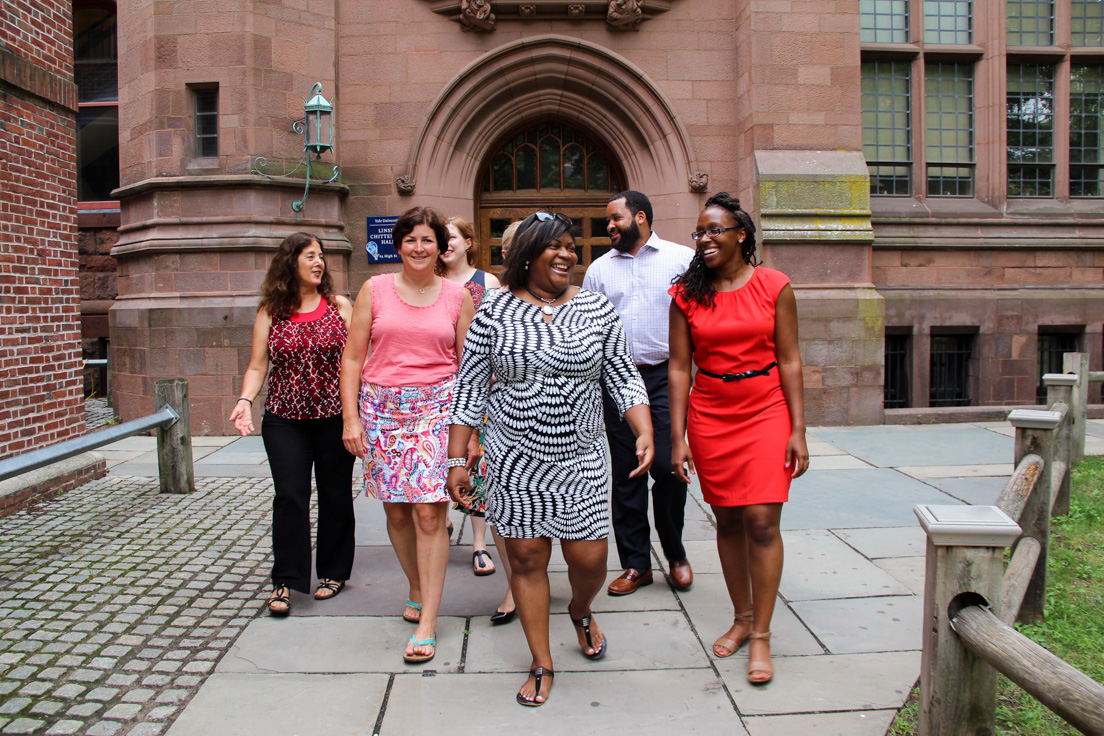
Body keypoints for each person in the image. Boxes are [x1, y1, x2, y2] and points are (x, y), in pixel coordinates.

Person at [446, 211, 654, 707]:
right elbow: (469, 387)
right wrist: (457, 456)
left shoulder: (596, 310)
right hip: (514, 458)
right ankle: (541, 660)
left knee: (589, 560)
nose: (567, 254)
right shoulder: (493, 312)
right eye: (554, 247)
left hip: (580, 456)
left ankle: (581, 610)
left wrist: (643, 428)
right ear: (526, 256)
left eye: (569, 246)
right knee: (525, 558)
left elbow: (623, 376)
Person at [668, 192, 809, 685]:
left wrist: (798, 429)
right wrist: (678, 435)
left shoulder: (775, 286)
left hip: (766, 406)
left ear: (741, 234)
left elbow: (790, 359)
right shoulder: (685, 295)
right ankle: (742, 618)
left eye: (714, 230)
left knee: (762, 521)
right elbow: (680, 367)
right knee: (727, 521)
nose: (704, 239)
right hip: (711, 413)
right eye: (699, 232)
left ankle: (763, 635)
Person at [340, 207, 476, 665]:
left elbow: (471, 368)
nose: (419, 248)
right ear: (399, 245)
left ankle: (428, 622)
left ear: (442, 247)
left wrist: (470, 434)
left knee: (427, 514)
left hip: (438, 408)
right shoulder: (374, 289)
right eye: (411, 240)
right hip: (381, 408)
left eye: (428, 240)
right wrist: (351, 419)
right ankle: (417, 586)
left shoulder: (458, 296)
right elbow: (354, 359)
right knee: (396, 513)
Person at [229, 232, 356, 617]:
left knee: (335, 494)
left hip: (334, 417)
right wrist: (244, 401)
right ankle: (286, 579)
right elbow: (257, 365)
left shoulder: (339, 305)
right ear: (291, 263)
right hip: (285, 419)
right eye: (310, 256)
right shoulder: (271, 310)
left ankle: (333, 572)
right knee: (290, 496)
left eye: (321, 256)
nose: (318, 263)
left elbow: (359, 360)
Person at [581, 190, 695, 596]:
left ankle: (676, 553)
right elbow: (588, 328)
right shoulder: (598, 270)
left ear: (641, 217)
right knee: (626, 474)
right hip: (615, 380)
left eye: (616, 218)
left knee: (667, 467)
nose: (609, 226)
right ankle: (636, 564)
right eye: (607, 220)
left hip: (667, 377)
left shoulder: (680, 259)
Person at [443, 217, 501, 577]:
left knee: (476, 462)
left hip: (478, 383)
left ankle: (479, 544)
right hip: (436, 384)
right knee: (441, 458)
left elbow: (498, 330)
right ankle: (440, 518)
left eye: (451, 238)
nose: (445, 245)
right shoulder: (428, 283)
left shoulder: (487, 283)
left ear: (468, 242)